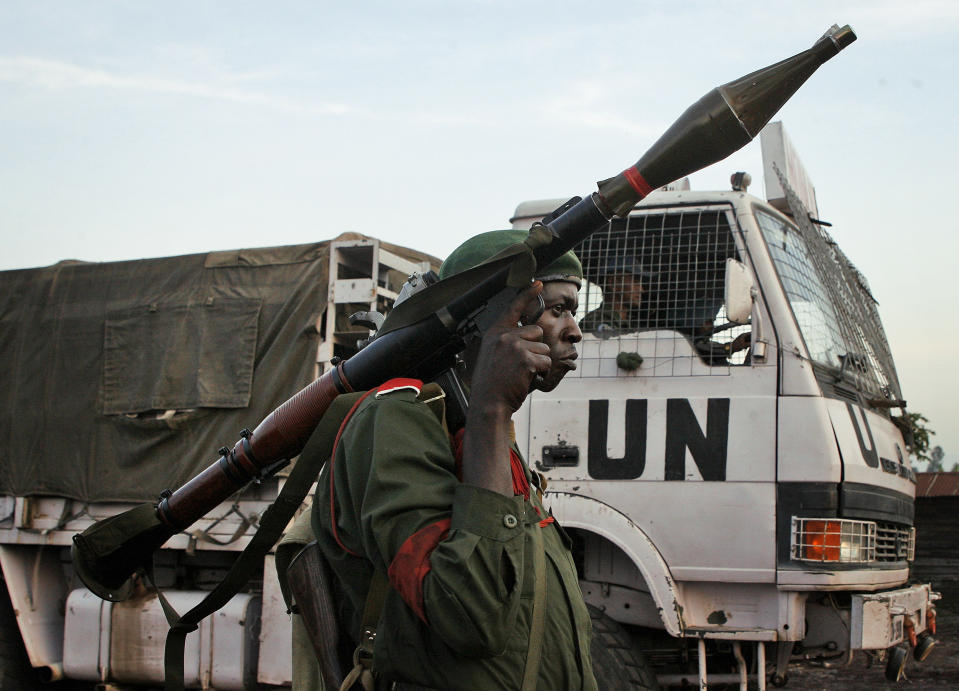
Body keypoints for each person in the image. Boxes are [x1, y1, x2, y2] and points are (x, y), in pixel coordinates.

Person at [303, 229, 598, 690]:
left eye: (573, 312)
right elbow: (470, 615)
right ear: (488, 319)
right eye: (556, 310)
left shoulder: (478, 432)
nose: (575, 331)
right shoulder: (398, 420)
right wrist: (491, 408)